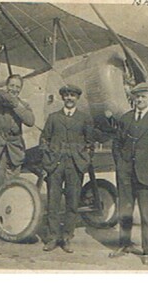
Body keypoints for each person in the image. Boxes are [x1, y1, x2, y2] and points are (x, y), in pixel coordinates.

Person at [110, 82, 148, 265]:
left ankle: (147, 251)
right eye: (137, 96)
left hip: (147, 176)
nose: (140, 100)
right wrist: (120, 166)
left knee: (146, 215)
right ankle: (124, 244)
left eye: (143, 96)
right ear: (133, 98)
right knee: (125, 211)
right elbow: (116, 145)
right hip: (126, 175)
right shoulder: (125, 118)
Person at [40, 84, 94, 253]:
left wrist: (83, 161)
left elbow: (90, 144)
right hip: (55, 165)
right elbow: (43, 141)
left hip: (75, 165)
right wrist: (49, 159)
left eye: (73, 95)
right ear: (62, 97)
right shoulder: (53, 118)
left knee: (72, 203)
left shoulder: (84, 119)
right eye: (67, 95)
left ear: (77, 98)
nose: (69, 98)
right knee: (53, 202)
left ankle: (67, 237)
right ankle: (52, 237)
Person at [0, 74, 35, 217]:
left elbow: (30, 120)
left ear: (21, 89)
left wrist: (17, 105)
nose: (14, 89)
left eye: (18, 87)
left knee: (12, 185)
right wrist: (17, 104)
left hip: (14, 149)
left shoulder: (23, 105)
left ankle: (6, 216)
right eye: (11, 85)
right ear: (7, 86)